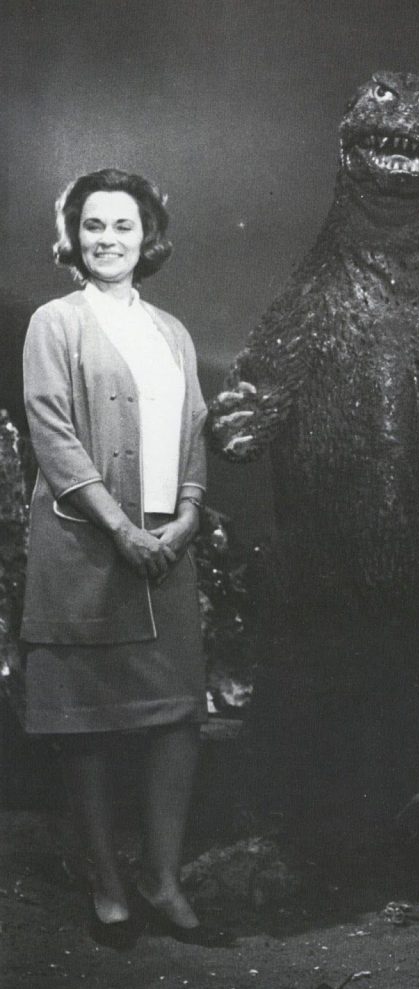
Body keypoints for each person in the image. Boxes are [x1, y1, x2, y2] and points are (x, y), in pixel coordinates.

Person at [21, 168, 229, 948]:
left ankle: (162, 879)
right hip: (88, 546)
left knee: (176, 715)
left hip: (165, 551)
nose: (107, 239)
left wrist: (189, 516)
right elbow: (53, 434)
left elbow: (195, 432)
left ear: (149, 239)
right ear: (73, 237)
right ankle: (108, 885)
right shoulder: (55, 323)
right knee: (89, 721)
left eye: (123, 226)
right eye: (93, 225)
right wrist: (119, 530)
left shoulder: (172, 331)